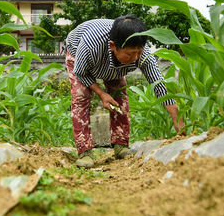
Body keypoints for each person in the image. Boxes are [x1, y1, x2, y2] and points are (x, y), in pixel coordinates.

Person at [63, 15, 185, 167]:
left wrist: (176, 116)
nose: (135, 58)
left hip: (112, 61)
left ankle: (120, 145)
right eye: (130, 54)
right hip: (78, 51)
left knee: (119, 94)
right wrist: (101, 93)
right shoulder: (90, 46)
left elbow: (158, 83)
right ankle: (85, 151)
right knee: (81, 95)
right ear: (113, 46)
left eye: (138, 53)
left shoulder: (141, 53)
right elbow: (80, 72)